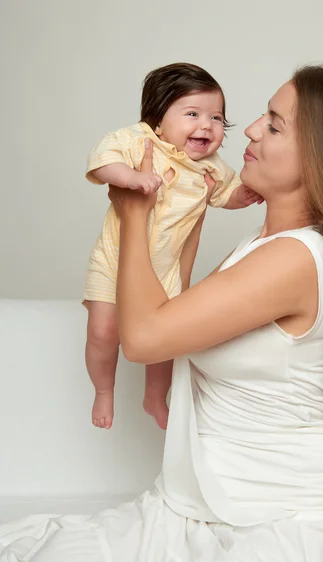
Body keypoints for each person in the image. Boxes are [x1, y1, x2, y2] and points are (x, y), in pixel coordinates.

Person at [0, 65, 323, 562]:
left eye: (273, 124)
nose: (246, 131)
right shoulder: (264, 247)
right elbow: (172, 310)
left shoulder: (295, 258)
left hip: (289, 521)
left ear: (321, 157)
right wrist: (178, 216)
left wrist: (134, 216)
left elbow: (146, 337)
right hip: (210, 509)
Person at [84, 62, 262, 430]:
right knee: (103, 332)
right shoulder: (139, 142)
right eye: (193, 114)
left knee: (165, 342)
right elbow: (104, 160)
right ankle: (103, 389)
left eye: (216, 118)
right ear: (157, 121)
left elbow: (227, 195)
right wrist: (131, 176)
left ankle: (155, 396)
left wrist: (247, 194)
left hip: (164, 270)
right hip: (114, 260)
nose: (206, 125)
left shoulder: (210, 167)